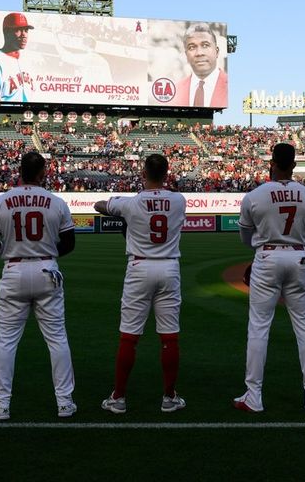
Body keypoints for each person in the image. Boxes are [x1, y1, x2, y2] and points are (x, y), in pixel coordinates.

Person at [0, 152, 77, 420]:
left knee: (7, 341)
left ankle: (0, 405)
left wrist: (7, 251)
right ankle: (65, 403)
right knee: (57, 339)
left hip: (14, 269)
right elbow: (69, 243)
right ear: (42, 173)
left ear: (19, 172)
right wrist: (45, 252)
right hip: (47, 269)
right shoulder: (56, 202)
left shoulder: (2, 201)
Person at [233, 143, 305, 413]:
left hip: (266, 258)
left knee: (259, 327)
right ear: (294, 165)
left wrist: (265, 247)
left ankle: (254, 396)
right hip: (299, 257)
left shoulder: (256, 195)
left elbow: (245, 237)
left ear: (271, 163)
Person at [94, 154, 188, 414]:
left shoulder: (131, 203)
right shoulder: (179, 200)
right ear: (167, 174)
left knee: (129, 335)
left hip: (139, 267)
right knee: (169, 336)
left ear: (143, 174)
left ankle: (119, 398)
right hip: (169, 267)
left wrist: (122, 208)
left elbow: (99, 205)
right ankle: (169, 397)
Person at [173, 22, 228, 108]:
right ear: (186, 55)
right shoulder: (176, 91)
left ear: (216, 52)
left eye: (205, 45)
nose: (199, 53)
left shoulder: (232, 86)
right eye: (192, 47)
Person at [0, 12, 35, 102]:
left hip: (28, 114)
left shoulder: (28, 59)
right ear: (6, 32)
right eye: (18, 30)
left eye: (26, 30)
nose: (24, 35)